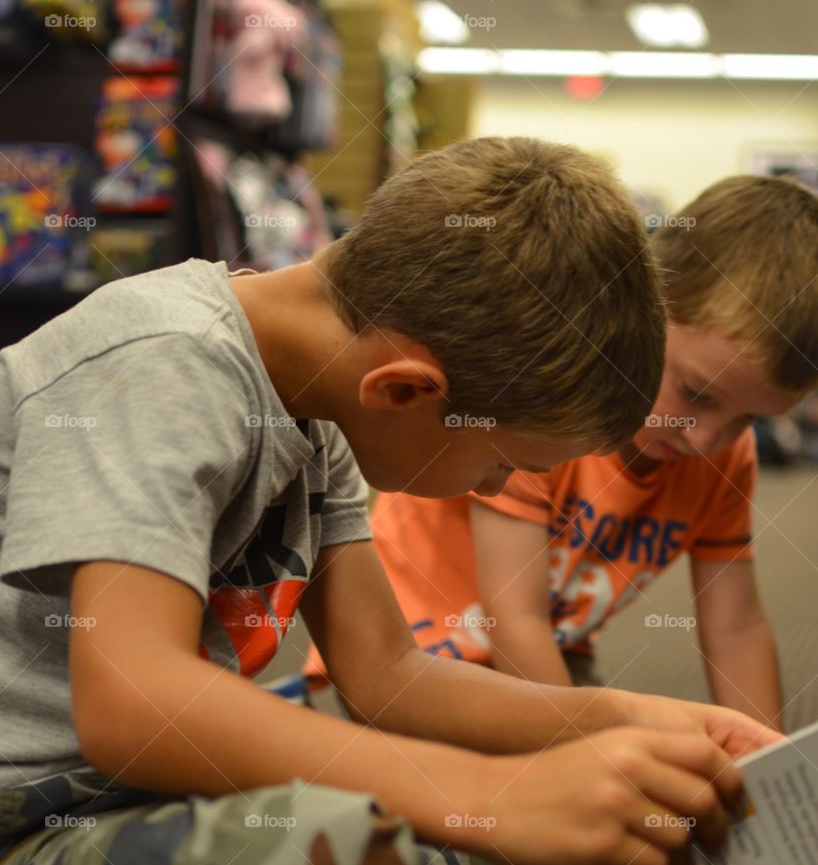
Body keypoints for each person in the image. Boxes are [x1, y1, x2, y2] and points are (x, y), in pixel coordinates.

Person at [0, 139, 776, 865]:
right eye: (503, 464)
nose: (497, 483)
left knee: (545, 850)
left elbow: (391, 676)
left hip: (145, 812)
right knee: (332, 857)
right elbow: (134, 704)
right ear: (409, 386)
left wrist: (619, 719)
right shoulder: (158, 359)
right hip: (6, 845)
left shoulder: (324, 403)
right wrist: (492, 796)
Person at [346, 175, 818, 735]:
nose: (706, 437)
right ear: (645, 312)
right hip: (405, 656)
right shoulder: (553, 414)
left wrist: (765, 767)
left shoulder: (727, 458)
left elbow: (736, 625)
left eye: (750, 419)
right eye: (696, 393)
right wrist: (590, 762)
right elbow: (513, 617)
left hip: (547, 655)